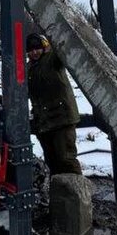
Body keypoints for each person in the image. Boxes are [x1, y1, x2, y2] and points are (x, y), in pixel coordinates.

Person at [25, 33, 82, 176]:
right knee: (52, 163)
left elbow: (64, 47)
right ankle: (60, 195)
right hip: (44, 123)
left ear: (44, 47)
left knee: (66, 160)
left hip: (62, 119)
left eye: (37, 48)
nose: (34, 52)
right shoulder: (29, 68)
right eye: (31, 50)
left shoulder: (52, 60)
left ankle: (77, 195)